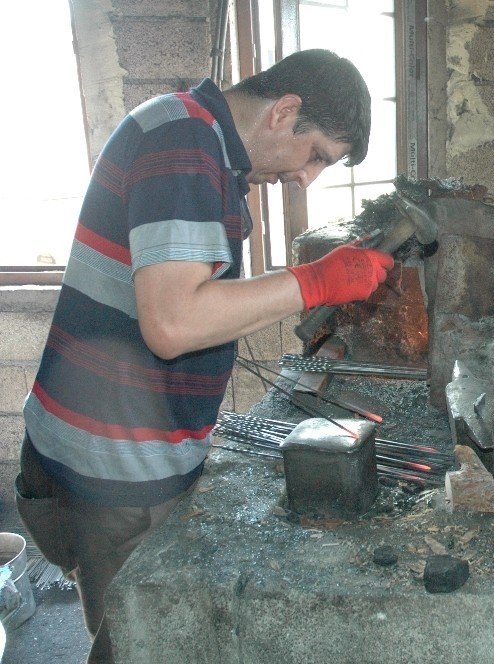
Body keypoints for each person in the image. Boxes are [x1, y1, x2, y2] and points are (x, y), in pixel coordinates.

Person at [16, 49, 394, 662]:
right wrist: (313, 282)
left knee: (129, 633)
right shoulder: (186, 146)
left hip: (92, 437)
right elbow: (173, 322)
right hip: (120, 464)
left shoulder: (189, 132)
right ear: (285, 112)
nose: (306, 177)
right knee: (145, 646)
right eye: (317, 155)